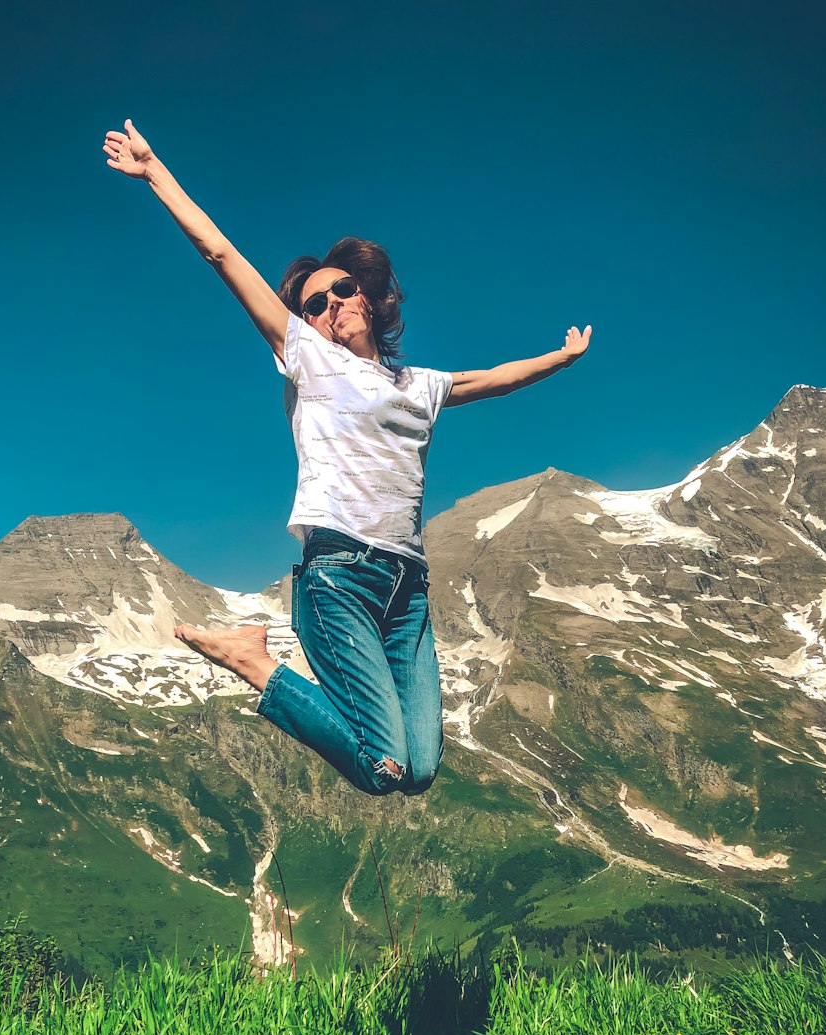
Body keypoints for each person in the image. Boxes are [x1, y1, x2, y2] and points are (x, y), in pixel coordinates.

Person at [103, 120, 591, 797]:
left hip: (407, 591)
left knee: (417, 771)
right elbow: (220, 253)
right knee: (379, 764)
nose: (332, 304)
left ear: (366, 296)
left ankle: (272, 670)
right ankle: (256, 666)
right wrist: (154, 172)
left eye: (341, 290)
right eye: (315, 303)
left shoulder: (418, 384)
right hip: (340, 577)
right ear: (303, 324)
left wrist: (561, 358)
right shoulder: (307, 359)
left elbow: (493, 378)